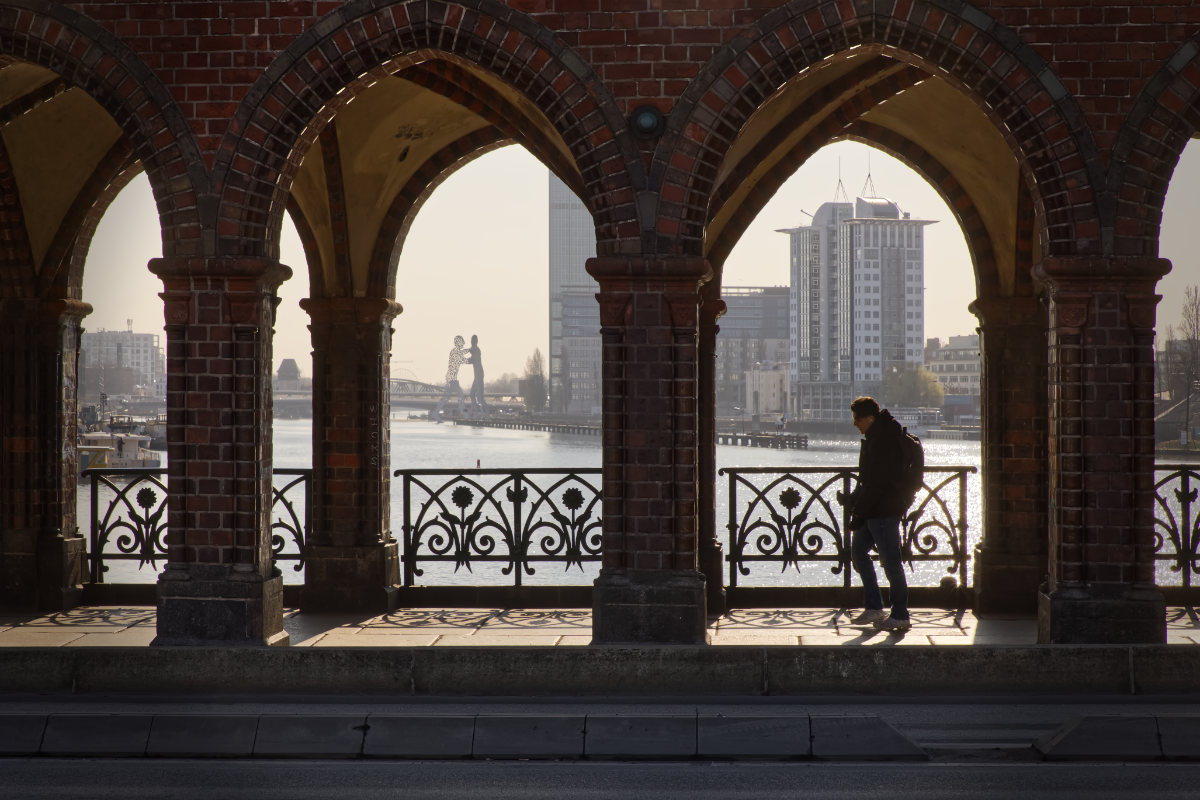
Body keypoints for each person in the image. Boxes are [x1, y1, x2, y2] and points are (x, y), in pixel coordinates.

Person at [842, 395, 912, 633]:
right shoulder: (877, 436)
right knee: (858, 552)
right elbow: (870, 479)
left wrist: (859, 511)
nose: (855, 424)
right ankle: (874, 607)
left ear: (870, 418)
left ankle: (900, 614)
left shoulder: (884, 441)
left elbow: (877, 482)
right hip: (873, 509)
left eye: (857, 419)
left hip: (883, 509)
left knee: (891, 563)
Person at [432, 335, 468, 421]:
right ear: (458, 343)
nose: (463, 343)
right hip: (451, 379)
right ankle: (465, 414)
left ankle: (436, 413)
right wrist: (471, 353)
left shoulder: (456, 351)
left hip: (452, 379)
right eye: (461, 341)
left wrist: (469, 351)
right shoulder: (455, 352)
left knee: (447, 398)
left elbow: (462, 353)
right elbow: (464, 359)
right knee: (459, 396)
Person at [467, 334, 489, 417]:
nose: (471, 343)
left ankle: (486, 412)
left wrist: (463, 360)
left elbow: (473, 359)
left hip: (479, 375)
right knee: (472, 394)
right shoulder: (474, 349)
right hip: (477, 375)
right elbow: (471, 355)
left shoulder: (477, 350)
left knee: (479, 397)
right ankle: (476, 410)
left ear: (475, 341)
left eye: (472, 341)